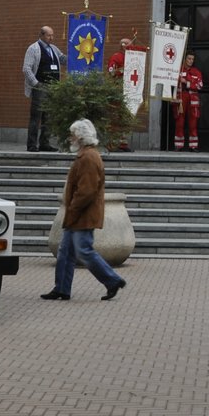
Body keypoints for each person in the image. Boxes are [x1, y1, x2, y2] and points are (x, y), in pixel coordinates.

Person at [40, 118, 127, 302]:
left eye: (73, 135)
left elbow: (86, 191)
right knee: (66, 252)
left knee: (83, 250)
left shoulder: (88, 157)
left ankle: (112, 280)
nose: (70, 138)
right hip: (79, 214)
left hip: (82, 214)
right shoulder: (86, 155)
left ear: (80, 137)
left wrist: (73, 208)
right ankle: (61, 289)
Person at [22, 25, 63, 152]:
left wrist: (77, 56)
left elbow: (63, 59)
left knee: (49, 117)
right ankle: (32, 144)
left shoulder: (54, 48)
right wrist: (36, 84)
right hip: (40, 87)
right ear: (42, 35)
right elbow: (26, 68)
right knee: (36, 116)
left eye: (52, 35)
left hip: (53, 87)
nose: (52, 37)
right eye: (49, 35)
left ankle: (45, 143)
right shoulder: (33, 48)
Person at [106, 38, 135, 151]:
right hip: (118, 90)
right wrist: (123, 71)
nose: (131, 46)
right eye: (129, 44)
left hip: (128, 91)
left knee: (125, 118)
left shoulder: (133, 58)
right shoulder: (116, 57)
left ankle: (123, 144)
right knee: (115, 118)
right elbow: (111, 71)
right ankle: (112, 144)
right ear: (123, 45)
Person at [172, 52, 203, 151]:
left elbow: (199, 85)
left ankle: (193, 146)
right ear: (185, 59)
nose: (191, 61)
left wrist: (187, 82)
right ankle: (178, 145)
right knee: (179, 122)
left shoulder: (196, 72)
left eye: (192, 59)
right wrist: (178, 80)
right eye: (189, 58)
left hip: (192, 100)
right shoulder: (178, 70)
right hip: (181, 99)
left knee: (193, 123)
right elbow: (171, 82)